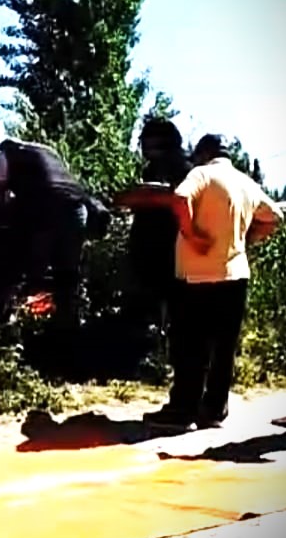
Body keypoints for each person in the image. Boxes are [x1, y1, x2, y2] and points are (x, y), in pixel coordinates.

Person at [143, 134, 283, 431]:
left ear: (203, 153)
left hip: (196, 276)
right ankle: (214, 411)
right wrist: (249, 238)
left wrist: (193, 235)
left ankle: (182, 411)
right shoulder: (246, 183)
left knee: (190, 344)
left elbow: (180, 199)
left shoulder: (202, 174)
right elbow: (275, 217)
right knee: (223, 347)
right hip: (235, 276)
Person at [0, 137, 92, 329]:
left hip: (44, 205)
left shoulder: (4, 154)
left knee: (9, 263)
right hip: (78, 209)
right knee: (66, 277)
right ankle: (69, 331)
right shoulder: (49, 151)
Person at [114, 118, 191, 346]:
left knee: (172, 301)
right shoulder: (154, 169)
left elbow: (173, 197)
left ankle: (162, 350)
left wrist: (135, 197)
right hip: (152, 245)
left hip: (169, 244)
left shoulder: (182, 168)